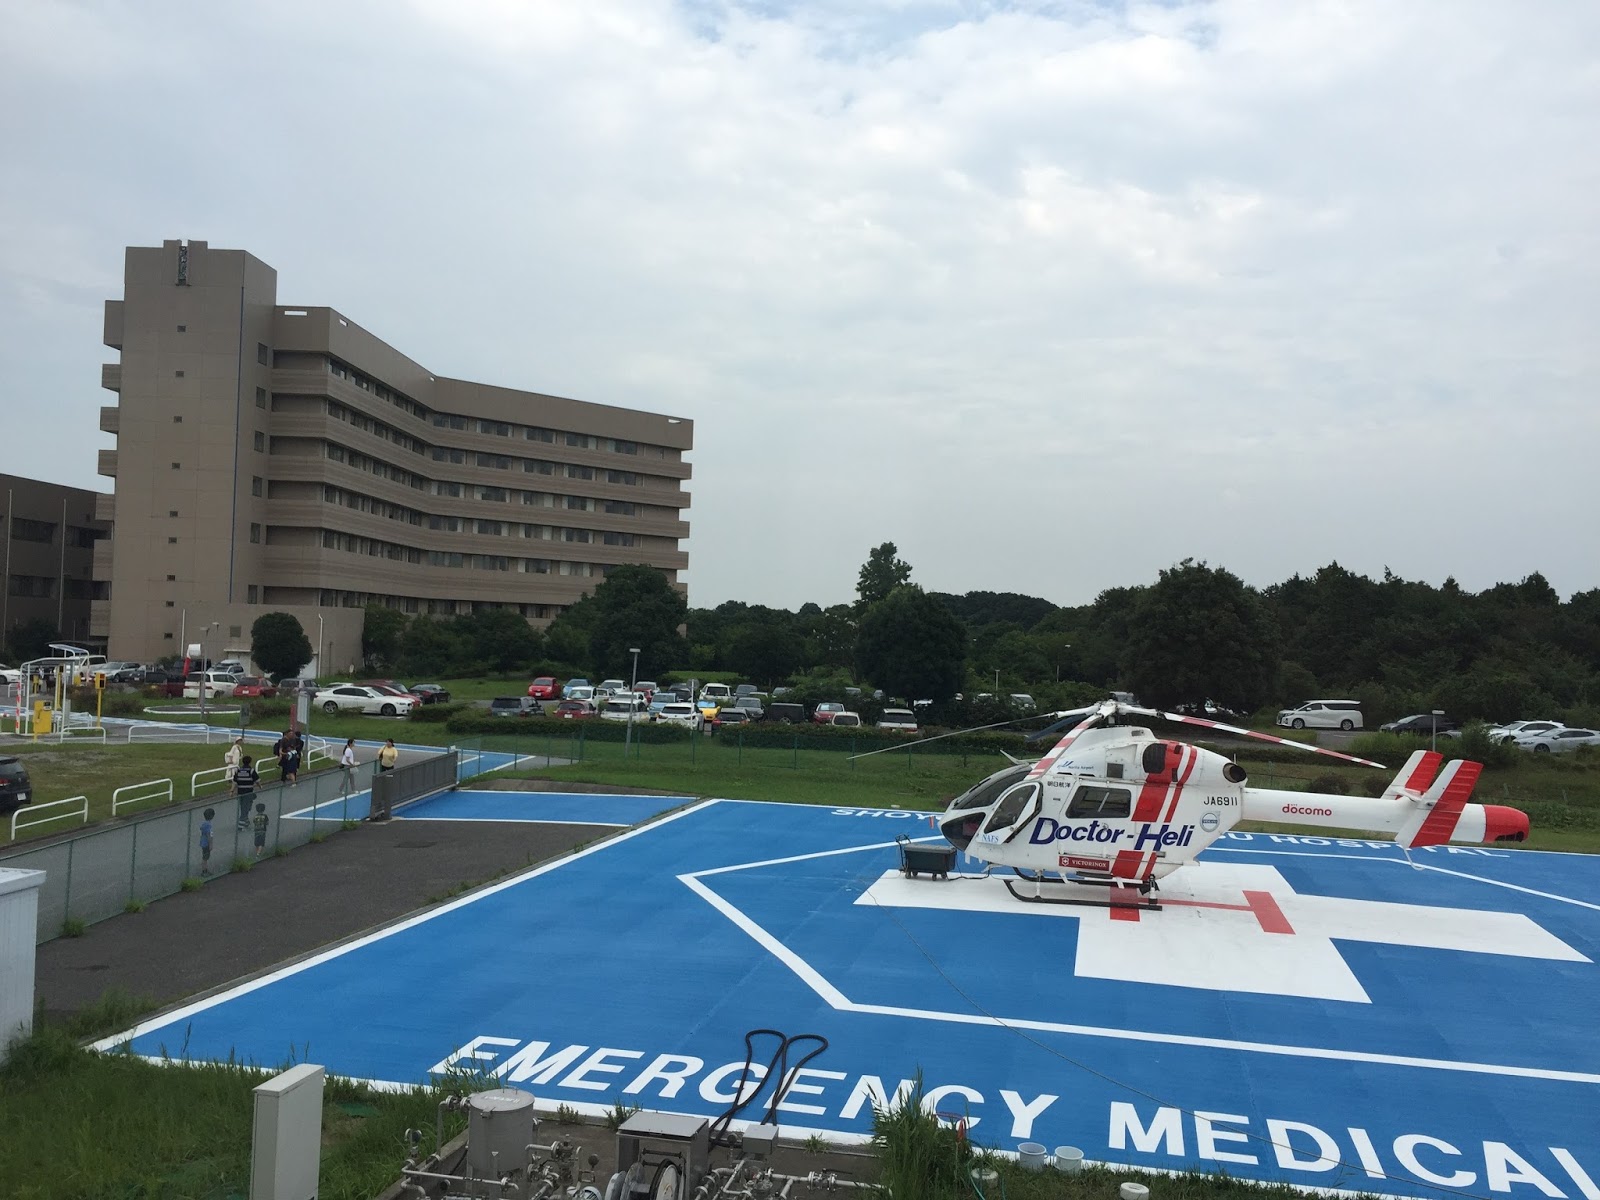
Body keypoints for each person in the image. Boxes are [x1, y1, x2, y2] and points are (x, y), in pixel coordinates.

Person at [232, 754, 260, 829]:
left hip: (240, 792)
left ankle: (246, 820)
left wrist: (232, 791)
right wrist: (260, 786)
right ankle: (241, 823)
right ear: (250, 762)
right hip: (248, 792)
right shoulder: (251, 771)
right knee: (247, 807)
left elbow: (235, 782)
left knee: (243, 807)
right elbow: (257, 780)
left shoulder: (238, 771)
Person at [199, 807, 215, 875]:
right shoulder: (208, 825)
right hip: (206, 843)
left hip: (203, 842)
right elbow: (209, 835)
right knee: (205, 857)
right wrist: (210, 844)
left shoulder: (204, 824)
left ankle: (205, 870)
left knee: (205, 857)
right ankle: (204, 871)